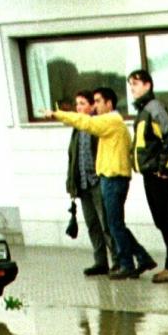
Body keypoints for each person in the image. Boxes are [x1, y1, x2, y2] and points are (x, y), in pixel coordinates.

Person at [45, 87, 156, 281]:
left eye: (97, 101)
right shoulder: (111, 122)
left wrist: (57, 114)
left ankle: (127, 264)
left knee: (113, 225)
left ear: (109, 103)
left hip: (113, 178)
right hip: (109, 177)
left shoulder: (111, 120)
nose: (94, 105)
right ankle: (142, 257)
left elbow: (85, 122)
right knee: (115, 224)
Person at [127, 68, 168, 283]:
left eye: (137, 83)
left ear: (148, 85)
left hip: (159, 175)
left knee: (166, 220)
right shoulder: (143, 111)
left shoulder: (154, 108)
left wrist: (162, 168)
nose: (133, 87)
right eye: (131, 83)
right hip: (150, 174)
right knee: (161, 220)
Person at [65, 88, 114, 276]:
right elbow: (73, 157)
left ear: (92, 106)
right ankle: (100, 262)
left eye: (82, 104)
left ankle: (118, 260)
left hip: (97, 181)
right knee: (92, 224)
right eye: (77, 104)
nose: (78, 107)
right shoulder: (77, 129)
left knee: (106, 223)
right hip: (83, 184)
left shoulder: (97, 125)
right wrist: (71, 182)